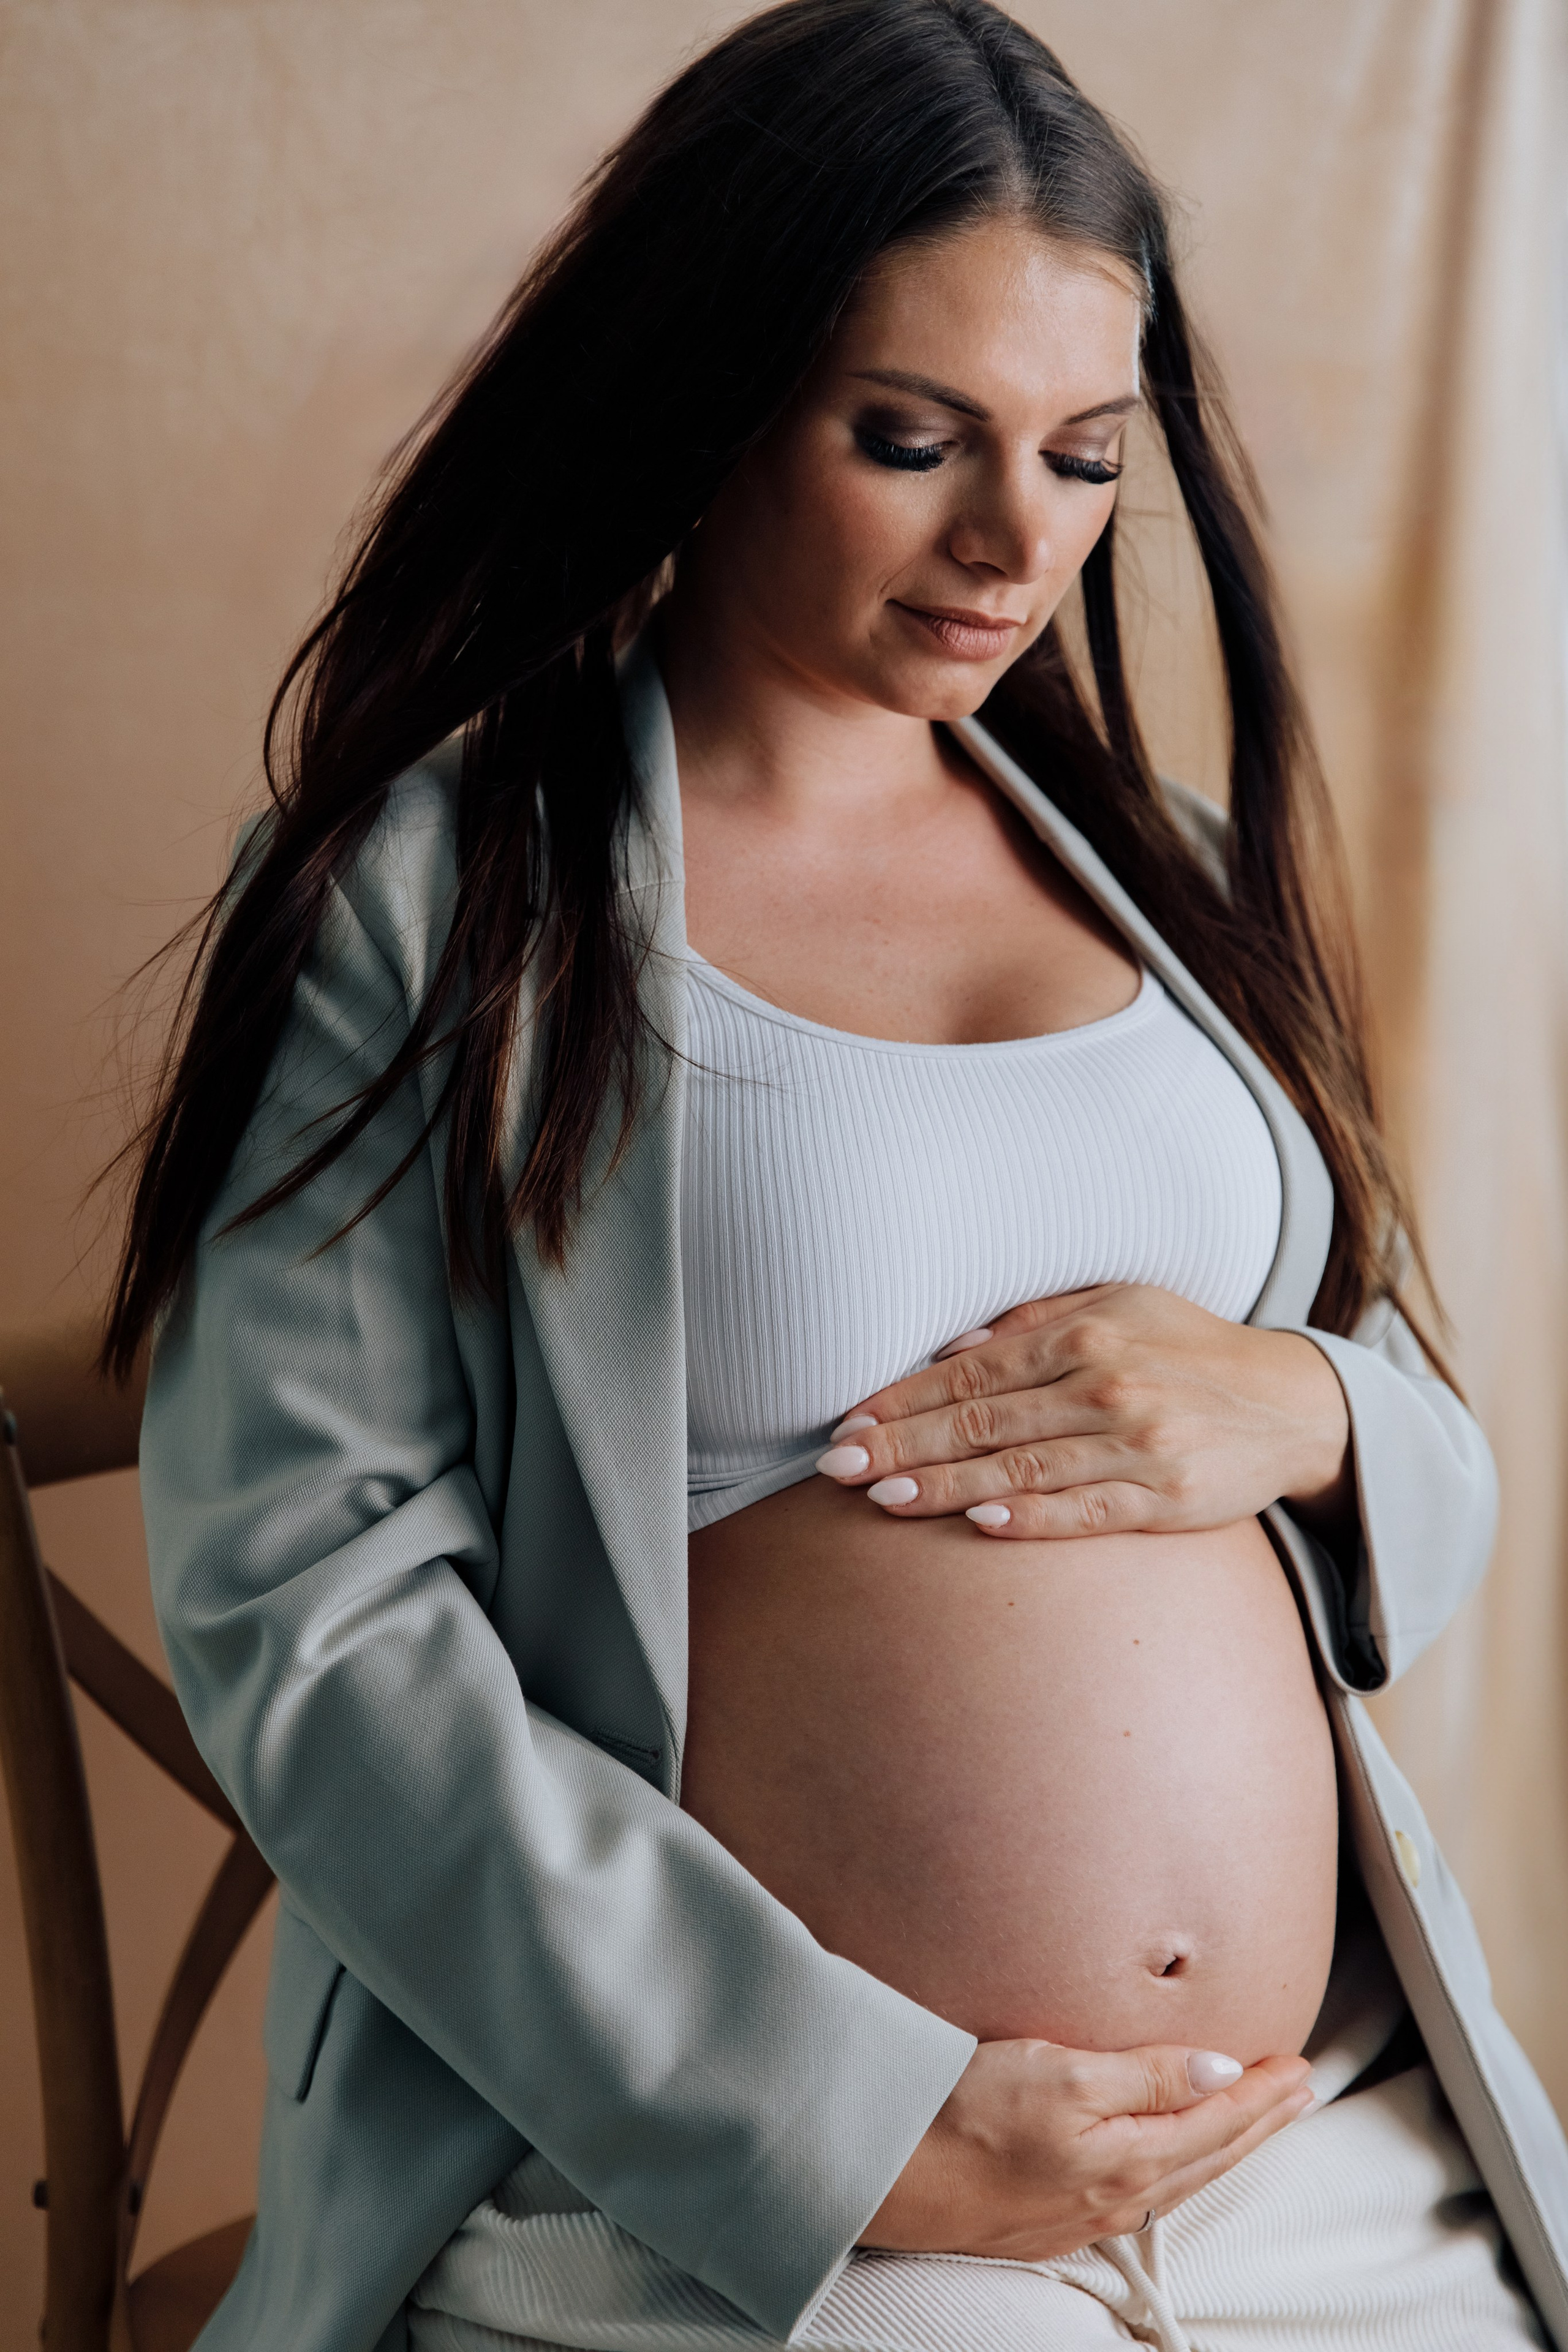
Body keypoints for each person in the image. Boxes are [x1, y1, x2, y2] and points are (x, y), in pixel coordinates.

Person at [109, 2, 1568, 2346]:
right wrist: (842, 2109)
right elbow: (313, 1612)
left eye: (1087, 458)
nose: (1017, 542)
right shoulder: (447, 895)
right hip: (757, 2207)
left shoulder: (1160, 873)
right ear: (707, 394)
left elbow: (1407, 1406)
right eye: (915, 442)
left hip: (1322, 2152)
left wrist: (1314, 1416)